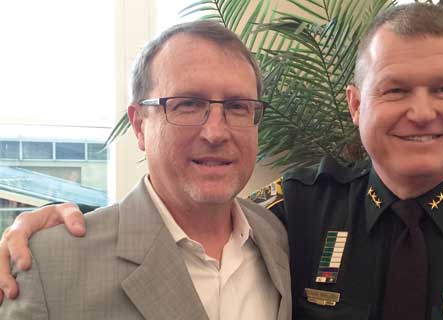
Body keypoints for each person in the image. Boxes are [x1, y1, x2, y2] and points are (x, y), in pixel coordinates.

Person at [1, 3, 443, 320]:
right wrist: (35, 228)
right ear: (356, 105)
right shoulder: (299, 211)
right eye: (396, 90)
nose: (422, 113)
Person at [0, 20, 291, 320]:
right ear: (139, 125)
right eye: (188, 104)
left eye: (237, 106)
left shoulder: (279, 237)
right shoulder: (48, 265)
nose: (215, 132)